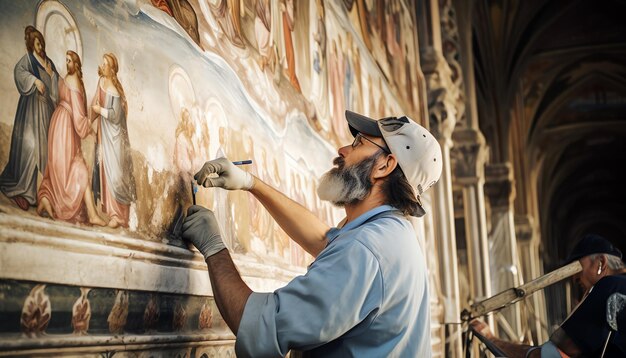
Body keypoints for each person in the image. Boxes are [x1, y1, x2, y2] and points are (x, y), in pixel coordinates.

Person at [182, 110, 443, 357]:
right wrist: (251, 184)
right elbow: (323, 240)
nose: (342, 150)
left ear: (384, 166)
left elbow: (260, 325)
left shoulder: (365, 248)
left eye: (358, 143)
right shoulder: (392, 234)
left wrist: (215, 248)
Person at [471, 234, 626, 357]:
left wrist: (491, 339)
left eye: (577, 267)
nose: (574, 278)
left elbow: (553, 354)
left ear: (601, 263)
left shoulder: (610, 286)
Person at [37, 51, 105, 226]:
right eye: (66, 60)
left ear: (76, 64)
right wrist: (89, 126)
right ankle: (91, 214)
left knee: (60, 168)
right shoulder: (73, 80)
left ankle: (47, 197)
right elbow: (78, 117)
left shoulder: (66, 79)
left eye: (69, 61)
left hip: (58, 123)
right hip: (66, 127)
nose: (67, 63)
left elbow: (58, 86)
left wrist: (51, 73)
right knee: (76, 167)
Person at [0, 26, 58, 211]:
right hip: (30, 111)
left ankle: (38, 194)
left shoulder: (49, 63)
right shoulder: (28, 60)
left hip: (45, 111)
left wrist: (51, 76)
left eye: (41, 42)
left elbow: (57, 88)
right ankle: (21, 191)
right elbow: (19, 72)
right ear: (31, 44)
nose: (40, 46)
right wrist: (35, 81)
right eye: (37, 43)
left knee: (44, 152)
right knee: (29, 148)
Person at [90, 53, 136, 228]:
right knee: (105, 171)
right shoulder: (101, 82)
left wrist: (99, 110)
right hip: (104, 135)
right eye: (102, 63)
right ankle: (111, 213)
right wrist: (91, 120)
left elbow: (116, 116)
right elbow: (94, 102)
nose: (102, 66)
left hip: (115, 138)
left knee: (116, 174)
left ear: (112, 69)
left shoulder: (115, 91)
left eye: (105, 64)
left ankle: (120, 216)